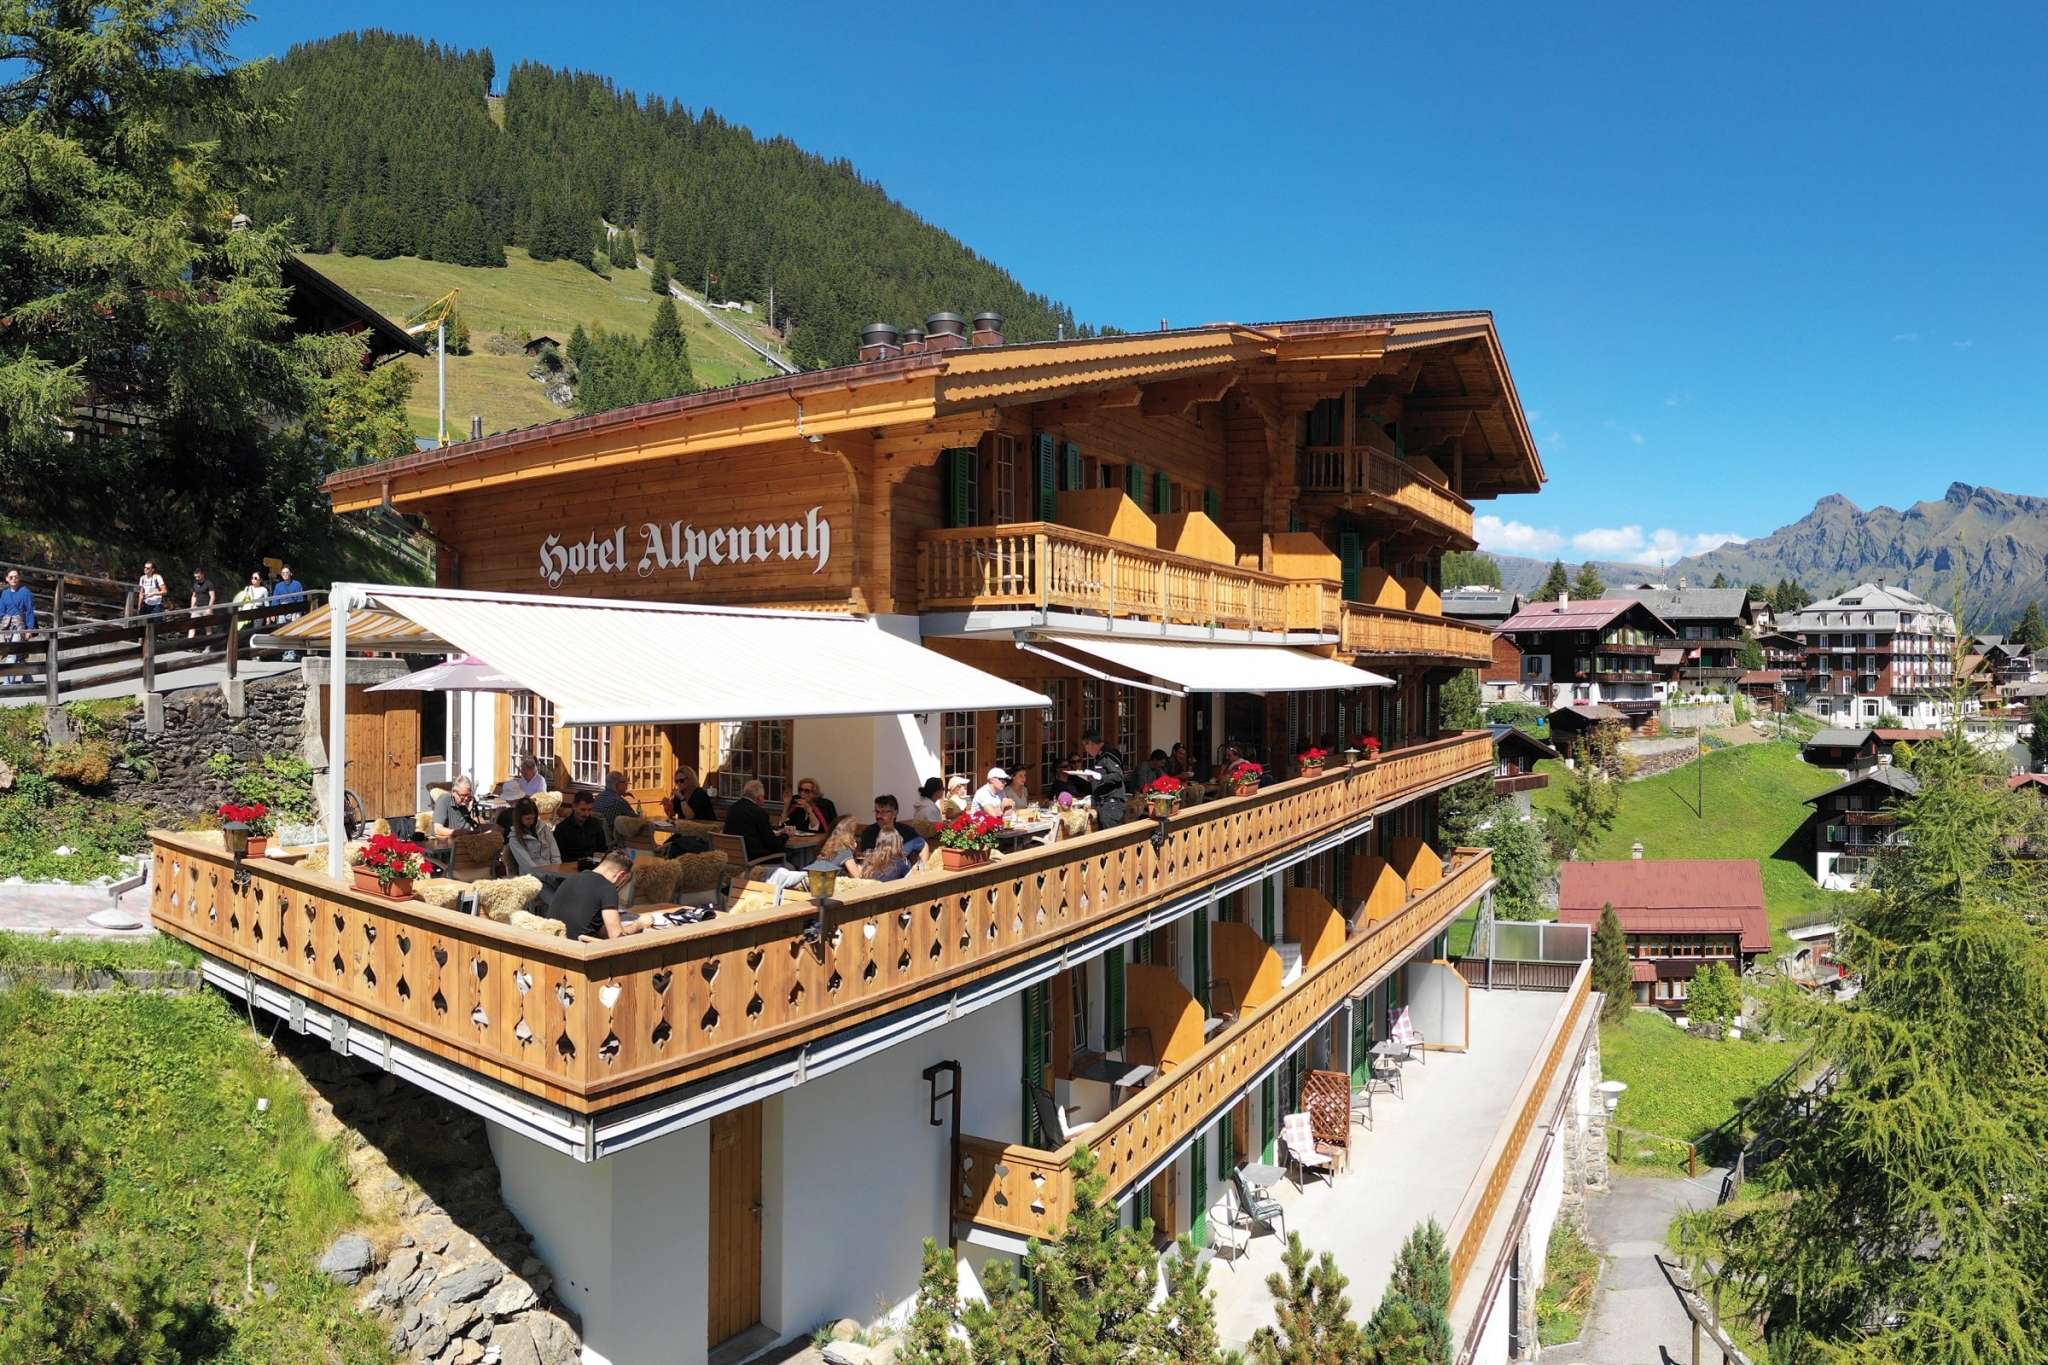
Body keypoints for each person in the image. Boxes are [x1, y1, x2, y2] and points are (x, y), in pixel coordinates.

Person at [545, 850, 644, 940]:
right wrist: (639, 925)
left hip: (552, 941)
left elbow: (586, 925)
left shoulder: (571, 879)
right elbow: (616, 937)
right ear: (620, 875)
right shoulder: (607, 888)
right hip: (578, 949)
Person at [1069, 731, 1128, 826]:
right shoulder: (1100, 756)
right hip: (1104, 803)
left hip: (1111, 804)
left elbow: (1118, 775)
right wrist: (1091, 778)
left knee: (1110, 833)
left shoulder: (1108, 754)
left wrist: (1099, 777)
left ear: (1090, 743)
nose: (1085, 750)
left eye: (1085, 746)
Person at [722, 779, 788, 860]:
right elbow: (773, 843)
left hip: (733, 857)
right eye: (764, 797)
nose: (764, 800)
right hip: (754, 858)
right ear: (759, 798)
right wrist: (786, 836)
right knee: (789, 854)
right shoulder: (759, 812)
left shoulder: (733, 808)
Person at [857, 794, 927, 861]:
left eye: (883, 812)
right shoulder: (869, 832)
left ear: (894, 813)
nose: (878, 816)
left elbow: (924, 846)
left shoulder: (907, 832)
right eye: (877, 812)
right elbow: (869, 857)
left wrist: (921, 867)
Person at [504, 796, 562, 875]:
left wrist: (557, 871)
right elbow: (528, 866)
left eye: (533, 818)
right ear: (519, 818)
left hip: (551, 872)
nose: (531, 822)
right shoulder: (514, 838)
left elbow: (555, 854)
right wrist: (547, 876)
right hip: (531, 876)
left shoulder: (543, 828)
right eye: (527, 819)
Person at [553, 790, 609, 864]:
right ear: (574, 806)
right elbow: (558, 857)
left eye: (589, 810)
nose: (587, 814)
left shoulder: (596, 825)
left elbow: (602, 850)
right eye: (583, 810)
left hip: (594, 865)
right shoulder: (561, 829)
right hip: (570, 866)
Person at [0, 568, 35, 681]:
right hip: (7, 627)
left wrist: (29, 629)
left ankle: (8, 682)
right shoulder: (4, 593)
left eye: (16, 577)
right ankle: (28, 679)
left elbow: (30, 611)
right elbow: (1, 611)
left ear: (19, 578)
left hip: (20, 627)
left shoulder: (25, 592)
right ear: (7, 579)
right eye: (11, 577)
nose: (13, 579)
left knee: (12, 653)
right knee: (19, 655)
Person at [431, 774, 484, 839]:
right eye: (463, 795)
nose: (466, 798)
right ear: (454, 793)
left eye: (468, 795)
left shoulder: (469, 800)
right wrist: (460, 832)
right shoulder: (444, 800)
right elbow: (437, 829)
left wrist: (472, 813)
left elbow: (479, 825)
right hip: (444, 841)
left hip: (464, 839)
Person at [187, 568, 215, 639]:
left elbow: (212, 596)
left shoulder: (208, 584)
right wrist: (192, 607)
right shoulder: (195, 584)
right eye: (195, 577)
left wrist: (210, 608)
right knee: (192, 626)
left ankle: (209, 644)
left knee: (208, 627)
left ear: (202, 575)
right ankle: (189, 643)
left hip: (206, 607)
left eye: (198, 576)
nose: (197, 578)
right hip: (197, 607)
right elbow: (194, 596)